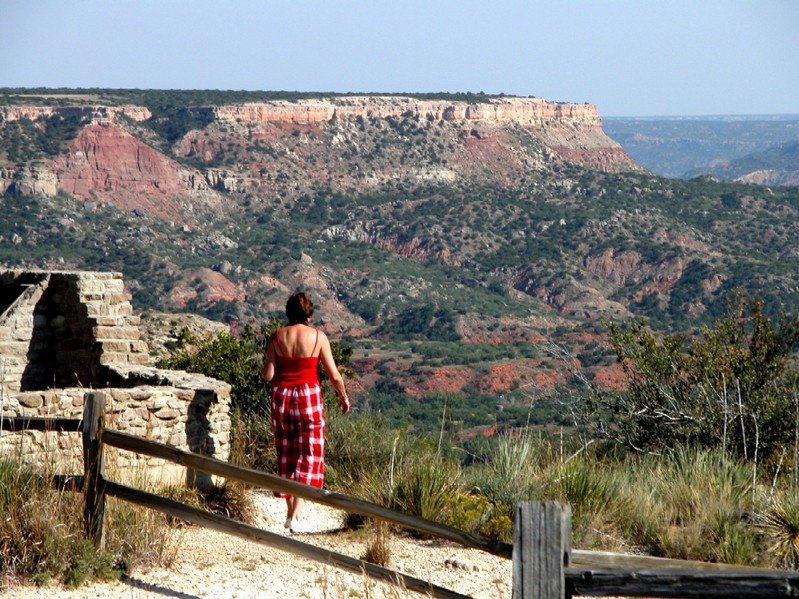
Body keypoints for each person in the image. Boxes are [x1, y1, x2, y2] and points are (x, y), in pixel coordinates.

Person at [262, 292, 349, 533]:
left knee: (286, 451)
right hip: (308, 396)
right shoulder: (318, 337)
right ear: (308, 315)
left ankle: (291, 514)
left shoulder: (277, 336)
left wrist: (273, 361)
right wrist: (343, 397)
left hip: (282, 397)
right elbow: (334, 376)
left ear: (289, 313)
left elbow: (268, 375)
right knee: (308, 452)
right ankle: (296, 516)